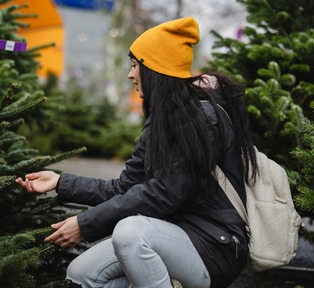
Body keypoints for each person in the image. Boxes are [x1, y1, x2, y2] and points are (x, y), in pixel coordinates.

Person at [16, 17, 258, 288]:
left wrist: (85, 224)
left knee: (130, 232)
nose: (130, 75)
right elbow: (124, 188)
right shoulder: (161, 121)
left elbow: (164, 194)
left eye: (135, 66)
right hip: (172, 234)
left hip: (215, 245)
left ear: (155, 69)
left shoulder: (201, 119)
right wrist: (61, 182)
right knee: (82, 272)